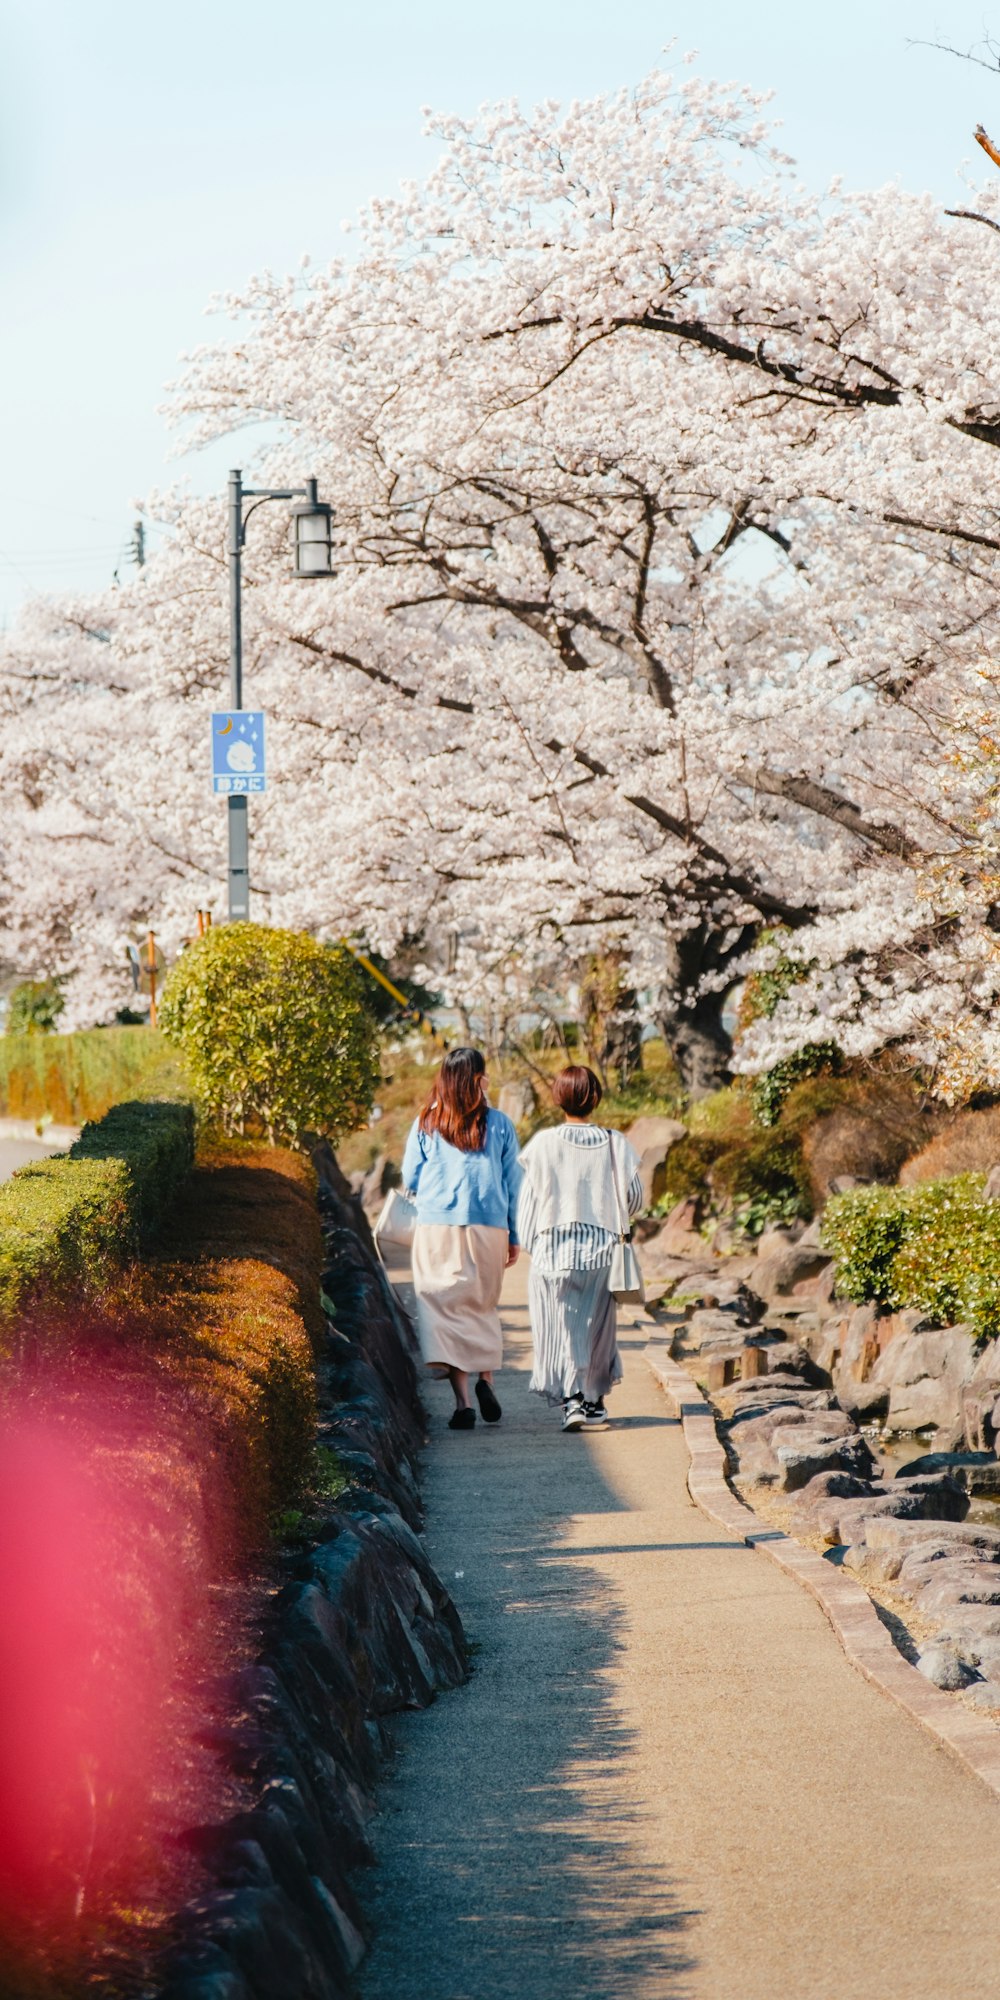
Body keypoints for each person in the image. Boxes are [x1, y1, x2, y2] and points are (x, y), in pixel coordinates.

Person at [402, 1046, 521, 1431]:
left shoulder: (426, 1122)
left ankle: (463, 1402)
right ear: (479, 1079)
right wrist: (514, 1235)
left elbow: (410, 1178)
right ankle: (486, 1379)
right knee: (481, 1305)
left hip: (437, 1226)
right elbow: (513, 1184)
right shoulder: (500, 1124)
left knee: (444, 1307)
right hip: (489, 1226)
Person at [518, 1065, 642, 1431]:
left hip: (553, 1250)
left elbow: (528, 1203)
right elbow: (633, 1197)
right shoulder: (615, 1142)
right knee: (596, 1328)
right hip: (602, 1251)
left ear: (559, 1098)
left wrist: (533, 1244)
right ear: (596, 1098)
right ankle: (593, 1400)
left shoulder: (542, 1143)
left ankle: (571, 1399)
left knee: (560, 1327)